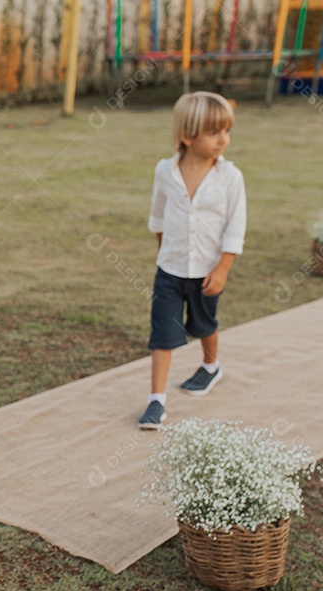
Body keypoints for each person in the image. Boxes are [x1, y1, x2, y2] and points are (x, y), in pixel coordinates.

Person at [139, 91, 246, 430]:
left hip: (207, 273)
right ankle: (156, 401)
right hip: (169, 272)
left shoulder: (231, 178)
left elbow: (235, 228)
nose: (223, 140)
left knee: (204, 325)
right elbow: (158, 217)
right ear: (188, 136)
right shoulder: (164, 171)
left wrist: (222, 269)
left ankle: (210, 367)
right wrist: (164, 253)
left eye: (226, 131)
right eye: (215, 132)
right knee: (163, 333)